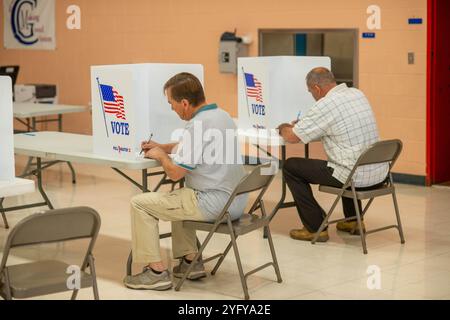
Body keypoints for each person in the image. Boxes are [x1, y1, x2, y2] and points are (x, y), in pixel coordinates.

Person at [123, 72, 248, 290]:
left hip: (214, 204)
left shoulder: (197, 125)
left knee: (140, 203)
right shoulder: (222, 116)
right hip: (235, 202)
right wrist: (163, 146)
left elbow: (175, 173)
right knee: (180, 196)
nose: (172, 108)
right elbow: (190, 146)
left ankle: (155, 272)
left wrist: (161, 156)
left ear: (184, 103)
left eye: (171, 103)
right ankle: (191, 261)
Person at [277, 67, 388, 242]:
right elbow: (339, 124)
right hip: (380, 174)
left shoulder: (325, 104)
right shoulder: (357, 94)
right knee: (347, 156)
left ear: (317, 88)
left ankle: (315, 228)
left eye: (310, 92)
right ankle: (353, 221)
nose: (312, 96)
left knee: (291, 166)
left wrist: (283, 127)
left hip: (354, 178)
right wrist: (309, 124)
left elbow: (291, 137)